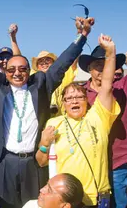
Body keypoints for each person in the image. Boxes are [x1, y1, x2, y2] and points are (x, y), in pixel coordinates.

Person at [0, 16, 93, 208]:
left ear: (29, 71)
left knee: (35, 204)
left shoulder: (40, 85)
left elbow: (62, 63)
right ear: (5, 72)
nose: (17, 73)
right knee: (6, 204)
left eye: (22, 69)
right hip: (6, 161)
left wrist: (82, 36)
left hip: (34, 161)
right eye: (11, 69)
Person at [36, 34, 120, 207]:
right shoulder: (54, 123)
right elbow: (41, 161)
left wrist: (110, 53)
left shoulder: (98, 115)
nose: (74, 101)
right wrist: (44, 143)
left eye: (79, 97)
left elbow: (106, 84)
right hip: (65, 200)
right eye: (69, 98)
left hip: (97, 196)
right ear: (63, 103)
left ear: (87, 101)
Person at [78, 44, 126, 207]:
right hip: (91, 163)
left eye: (106, 65)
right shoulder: (79, 93)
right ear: (89, 69)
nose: (103, 70)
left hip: (120, 159)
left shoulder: (122, 86)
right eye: (98, 66)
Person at [31, 51, 78, 116]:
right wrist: (14, 42)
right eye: (40, 61)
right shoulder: (32, 78)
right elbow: (18, 58)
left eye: (47, 60)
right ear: (37, 66)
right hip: (39, 119)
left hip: (61, 119)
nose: (44, 63)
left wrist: (79, 45)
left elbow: (73, 63)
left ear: (54, 64)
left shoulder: (63, 76)